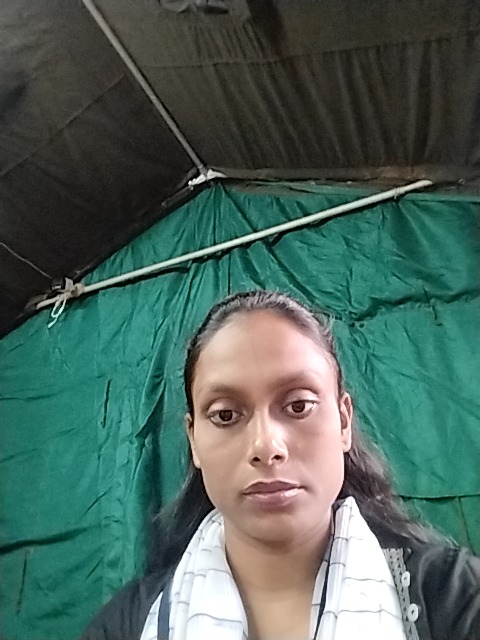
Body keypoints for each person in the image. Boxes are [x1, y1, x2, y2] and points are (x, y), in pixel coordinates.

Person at [81, 290, 480, 640]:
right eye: (225, 415)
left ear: (343, 422)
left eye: (299, 406)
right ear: (194, 441)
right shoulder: (125, 626)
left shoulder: (456, 598)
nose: (266, 446)